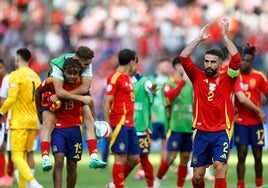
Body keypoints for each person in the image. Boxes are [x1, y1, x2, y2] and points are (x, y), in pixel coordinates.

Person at [179, 18, 240, 188]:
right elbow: (183, 57)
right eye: (206, 61)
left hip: (221, 131)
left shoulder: (228, 78)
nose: (208, 64)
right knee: (198, 177)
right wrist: (198, 39)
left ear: (220, 65)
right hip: (201, 133)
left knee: (220, 167)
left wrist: (226, 38)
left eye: (213, 62)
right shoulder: (197, 76)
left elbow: (236, 59)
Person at [40, 46, 106, 172]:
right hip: (53, 96)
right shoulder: (58, 65)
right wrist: (40, 111)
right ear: (77, 59)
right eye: (86, 64)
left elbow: (85, 88)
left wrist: (77, 98)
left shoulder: (86, 64)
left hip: (69, 92)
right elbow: (58, 91)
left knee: (88, 117)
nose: (88, 66)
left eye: (89, 63)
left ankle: (93, 157)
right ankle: (45, 158)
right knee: (48, 123)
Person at [37, 58, 84, 188]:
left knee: (72, 165)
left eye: (75, 73)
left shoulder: (82, 83)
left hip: (75, 128)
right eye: (69, 73)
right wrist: (39, 113)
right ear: (63, 72)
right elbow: (37, 91)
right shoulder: (52, 81)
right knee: (58, 160)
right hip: (58, 128)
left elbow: (87, 99)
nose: (72, 76)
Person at [0, 48, 43, 188]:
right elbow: (39, 101)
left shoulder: (15, 76)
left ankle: (33, 183)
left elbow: (11, 98)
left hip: (19, 122)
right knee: (24, 156)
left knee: (16, 156)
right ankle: (23, 187)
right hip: (32, 122)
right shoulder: (36, 77)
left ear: (17, 59)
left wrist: (1, 112)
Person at [103, 49, 140, 188]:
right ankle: (118, 185)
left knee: (135, 158)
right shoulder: (115, 77)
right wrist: (107, 125)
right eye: (135, 62)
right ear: (131, 61)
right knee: (121, 157)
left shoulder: (126, 77)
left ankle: (114, 184)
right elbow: (106, 101)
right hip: (119, 122)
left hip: (130, 124)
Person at [154, 56, 192, 188]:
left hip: (188, 128)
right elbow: (171, 96)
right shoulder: (168, 83)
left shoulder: (190, 85)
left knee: (185, 158)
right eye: (184, 66)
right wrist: (182, 83)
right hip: (175, 127)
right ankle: (157, 180)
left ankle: (180, 185)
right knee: (170, 157)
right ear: (177, 67)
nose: (187, 69)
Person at [233, 43, 268, 188]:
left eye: (247, 61)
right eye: (242, 60)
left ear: (252, 62)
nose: (244, 63)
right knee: (241, 155)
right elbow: (238, 98)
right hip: (240, 121)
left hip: (256, 122)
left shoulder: (259, 76)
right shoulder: (234, 76)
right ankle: (241, 184)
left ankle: (259, 184)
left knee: (258, 155)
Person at [134, 59, 172, 180]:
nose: (167, 66)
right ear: (158, 66)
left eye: (168, 65)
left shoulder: (171, 81)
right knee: (147, 144)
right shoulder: (151, 80)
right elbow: (149, 97)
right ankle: (141, 171)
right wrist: (150, 113)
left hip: (167, 119)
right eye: (165, 64)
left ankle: (162, 172)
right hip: (154, 118)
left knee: (165, 145)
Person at [130, 57, 157, 188]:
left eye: (133, 64)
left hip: (141, 127)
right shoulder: (120, 81)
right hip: (125, 126)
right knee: (123, 158)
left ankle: (151, 185)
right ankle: (116, 183)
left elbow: (155, 90)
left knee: (143, 158)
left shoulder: (145, 82)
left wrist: (153, 87)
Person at [0, 59, 14, 187]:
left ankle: (9, 175)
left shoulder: (9, 80)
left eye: (0, 67)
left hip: (9, 119)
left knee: (8, 148)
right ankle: (2, 176)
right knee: (1, 149)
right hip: (2, 119)